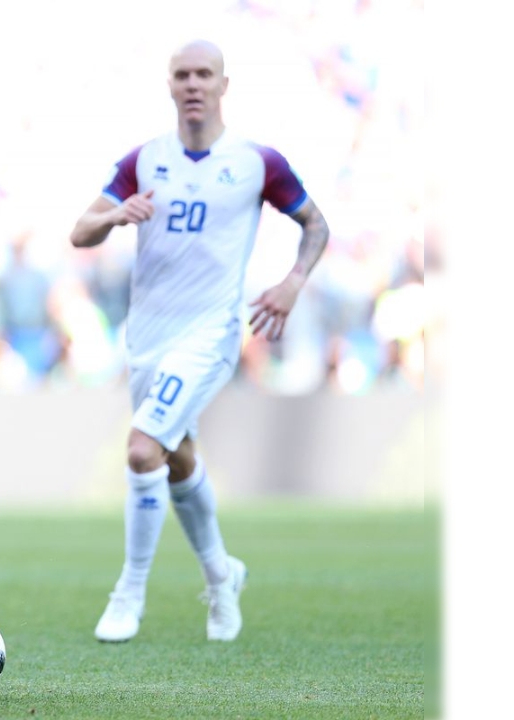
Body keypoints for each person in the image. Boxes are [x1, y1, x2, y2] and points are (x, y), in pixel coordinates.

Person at [68, 39, 330, 643]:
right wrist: (114, 215)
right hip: (149, 336)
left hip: (211, 333)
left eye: (203, 74)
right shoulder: (144, 159)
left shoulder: (256, 161)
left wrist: (292, 282)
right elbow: (80, 231)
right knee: (176, 455)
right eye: (182, 74)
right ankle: (221, 575)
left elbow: (315, 223)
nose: (192, 84)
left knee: (140, 452)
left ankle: (128, 593)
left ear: (222, 85)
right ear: (169, 85)